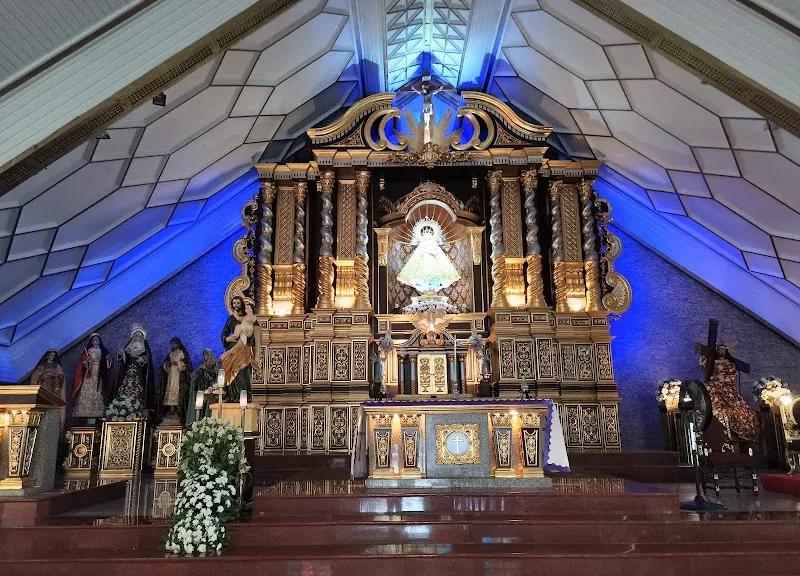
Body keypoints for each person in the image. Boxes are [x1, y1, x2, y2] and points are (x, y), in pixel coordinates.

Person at [106, 327, 156, 421]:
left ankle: (137, 405)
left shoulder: (144, 348)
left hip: (139, 372)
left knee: (138, 387)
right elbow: (122, 360)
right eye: (136, 336)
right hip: (127, 372)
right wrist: (121, 354)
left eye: (140, 336)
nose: (138, 338)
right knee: (124, 386)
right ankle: (121, 403)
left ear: (142, 338)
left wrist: (143, 360)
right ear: (133, 337)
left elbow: (148, 361)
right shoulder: (128, 348)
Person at [220, 299, 258, 402]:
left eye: (238, 303)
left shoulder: (250, 318)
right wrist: (229, 338)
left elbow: (255, 333)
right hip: (232, 346)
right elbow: (224, 333)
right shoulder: (231, 319)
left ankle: (242, 397)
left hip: (243, 347)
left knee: (241, 372)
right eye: (234, 303)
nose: (236, 305)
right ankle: (229, 395)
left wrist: (246, 336)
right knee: (227, 367)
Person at [72, 333, 113, 423]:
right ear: (91, 341)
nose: (96, 341)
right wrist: (87, 362)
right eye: (94, 339)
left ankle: (96, 414)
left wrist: (108, 360)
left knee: (97, 391)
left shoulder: (103, 351)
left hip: (99, 373)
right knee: (88, 391)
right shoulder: (89, 350)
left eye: (97, 339)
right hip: (89, 374)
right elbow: (82, 363)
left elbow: (107, 363)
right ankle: (85, 414)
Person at [30, 349, 66, 429]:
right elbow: (35, 375)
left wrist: (59, 380)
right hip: (43, 385)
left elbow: (60, 375)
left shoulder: (56, 366)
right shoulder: (42, 366)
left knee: (52, 401)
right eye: (51, 355)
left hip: (53, 386)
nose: (52, 357)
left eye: (53, 355)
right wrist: (41, 377)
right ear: (47, 356)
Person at [159, 337, 192, 424]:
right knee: (170, 390)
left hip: (178, 376)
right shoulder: (171, 354)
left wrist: (177, 363)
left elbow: (186, 365)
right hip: (171, 374)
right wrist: (168, 364)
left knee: (177, 391)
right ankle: (171, 409)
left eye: (174, 343)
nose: (173, 345)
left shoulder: (182, 353)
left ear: (178, 344)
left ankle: (178, 409)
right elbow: (165, 364)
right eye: (172, 344)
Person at [186, 349, 218, 426]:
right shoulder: (201, 365)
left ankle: (207, 423)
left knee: (207, 407)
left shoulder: (214, 364)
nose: (205, 356)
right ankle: (197, 423)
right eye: (204, 355)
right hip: (201, 388)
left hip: (210, 388)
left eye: (206, 354)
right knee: (200, 406)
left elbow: (216, 376)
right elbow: (193, 376)